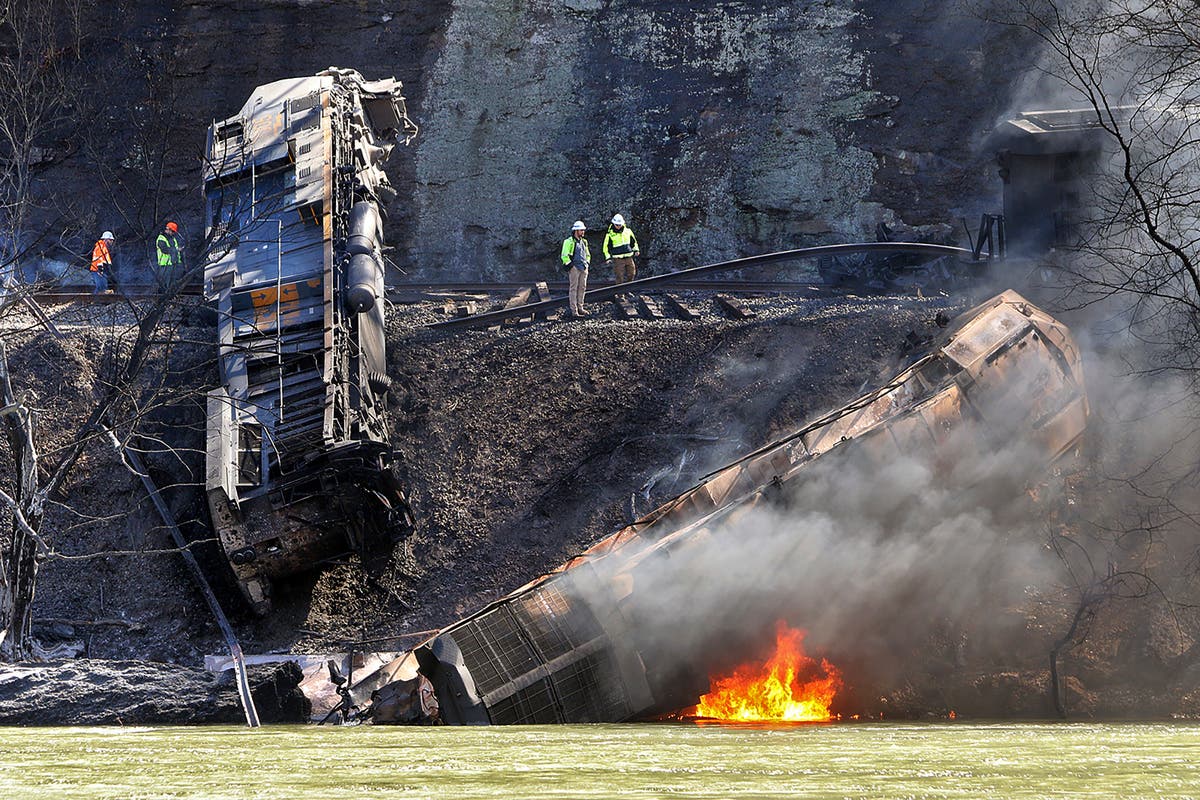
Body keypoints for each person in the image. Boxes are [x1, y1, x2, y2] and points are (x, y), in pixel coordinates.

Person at [559, 220, 590, 318]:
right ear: (576, 231)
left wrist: (587, 263)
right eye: (581, 230)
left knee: (582, 287)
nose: (583, 232)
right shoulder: (568, 242)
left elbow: (587, 254)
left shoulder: (584, 242)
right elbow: (564, 255)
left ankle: (580, 307)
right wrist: (571, 266)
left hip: (583, 267)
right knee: (574, 288)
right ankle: (574, 310)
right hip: (575, 268)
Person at [602, 213, 640, 284]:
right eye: (617, 225)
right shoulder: (610, 234)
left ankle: (628, 290)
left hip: (628, 256)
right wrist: (608, 257)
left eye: (620, 225)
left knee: (632, 273)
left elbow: (633, 242)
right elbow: (606, 247)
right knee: (619, 276)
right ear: (613, 224)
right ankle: (620, 293)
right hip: (618, 259)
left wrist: (636, 250)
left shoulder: (628, 231)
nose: (618, 226)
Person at [155, 221, 183, 287]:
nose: (173, 233)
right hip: (164, 265)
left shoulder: (172, 238)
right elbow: (165, 250)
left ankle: (171, 295)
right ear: (168, 229)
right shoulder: (161, 238)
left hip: (173, 264)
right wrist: (177, 250)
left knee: (172, 283)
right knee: (164, 284)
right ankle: (164, 296)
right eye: (172, 231)